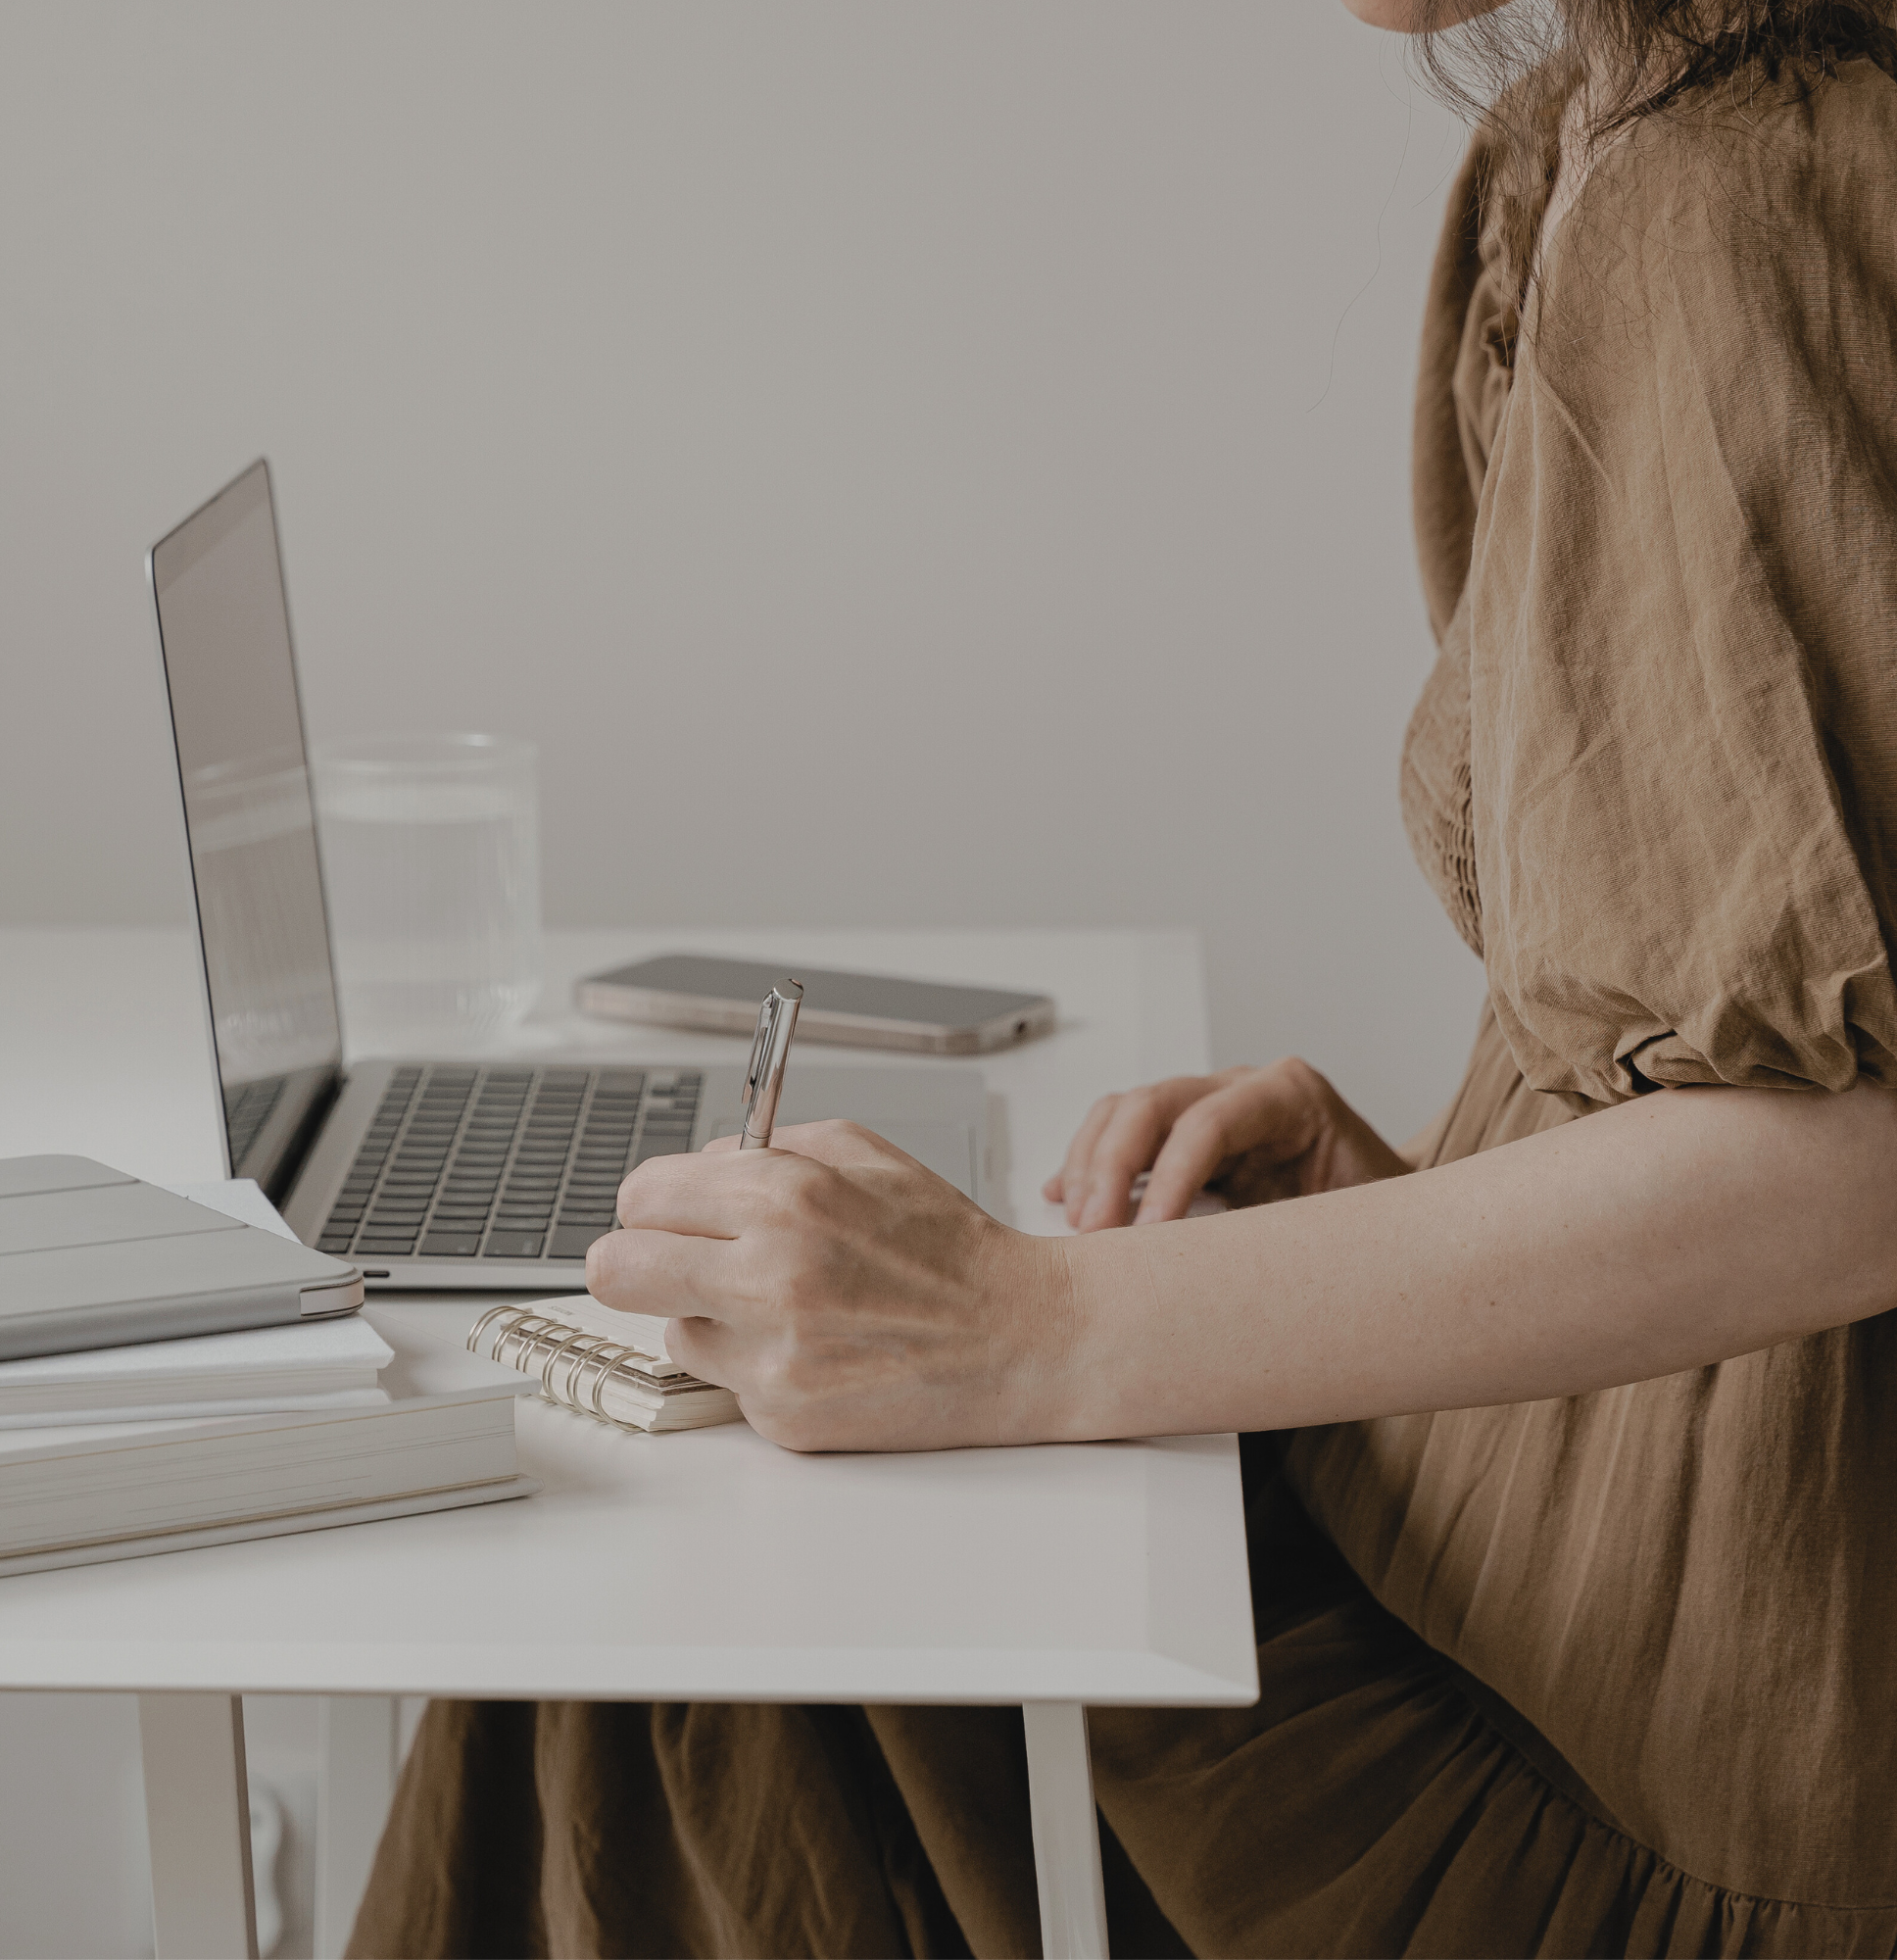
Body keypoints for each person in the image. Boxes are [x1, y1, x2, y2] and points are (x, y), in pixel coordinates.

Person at [350, 0, 1897, 1952]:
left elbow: (1853, 1159)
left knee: (663, 1666)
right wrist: (1441, 1193)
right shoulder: (1566, 150)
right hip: (1523, 1579)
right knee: (667, 1617)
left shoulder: (1743, 186)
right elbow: (1765, 1012)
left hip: (1669, 1777)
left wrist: (1026, 1324)